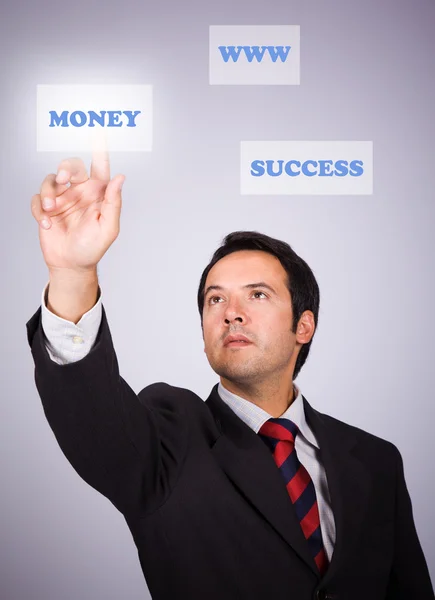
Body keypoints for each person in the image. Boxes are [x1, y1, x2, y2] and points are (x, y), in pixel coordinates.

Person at [26, 153, 434, 600]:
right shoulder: (170, 437)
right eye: (215, 300)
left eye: (257, 295)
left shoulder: (376, 462)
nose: (231, 314)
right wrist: (73, 274)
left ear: (304, 326)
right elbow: (93, 415)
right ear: (203, 332)